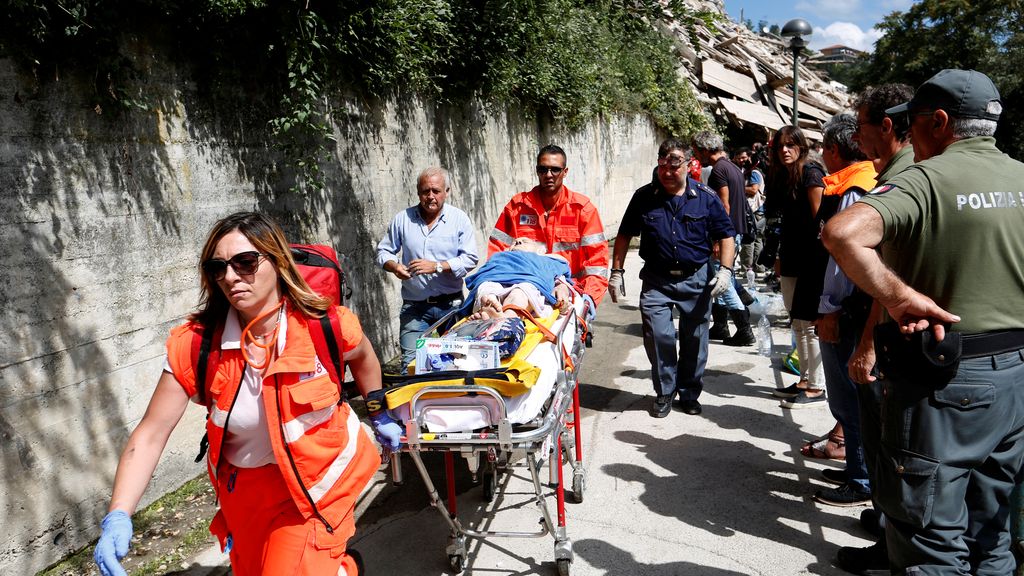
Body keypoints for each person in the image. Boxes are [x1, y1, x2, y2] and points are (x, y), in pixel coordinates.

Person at [94, 212, 399, 576]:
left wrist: (378, 410)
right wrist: (119, 513)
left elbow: (364, 358)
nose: (231, 276)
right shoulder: (196, 346)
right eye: (218, 267)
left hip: (315, 488)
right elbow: (151, 433)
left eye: (245, 262)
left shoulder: (326, 324)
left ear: (278, 261)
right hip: (245, 495)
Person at [824, 69, 1024, 575]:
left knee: (929, 536)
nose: (909, 139)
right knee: (990, 531)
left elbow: (843, 234)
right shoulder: (1021, 177)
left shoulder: (925, 180)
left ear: (939, 121)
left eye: (912, 127)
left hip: (947, 380)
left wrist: (899, 297)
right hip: (1017, 381)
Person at [834, 82, 916, 575]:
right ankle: (887, 525)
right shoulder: (898, 175)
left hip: (889, 336)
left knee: (892, 446)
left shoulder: (903, 184)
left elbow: (891, 280)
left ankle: (893, 547)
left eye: (861, 127)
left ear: (887, 127)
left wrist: (866, 345)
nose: (856, 137)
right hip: (891, 331)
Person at [607, 139, 735, 417]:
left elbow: (726, 235)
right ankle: (665, 391)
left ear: (689, 165)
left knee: (695, 339)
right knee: (659, 336)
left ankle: (689, 392)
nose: (667, 170)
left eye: (674, 163)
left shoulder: (706, 197)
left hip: (696, 279)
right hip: (657, 280)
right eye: (662, 163)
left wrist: (725, 271)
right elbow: (624, 234)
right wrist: (616, 272)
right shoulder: (644, 197)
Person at [807, 113, 877, 508]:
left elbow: (842, 261)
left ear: (835, 149)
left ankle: (862, 478)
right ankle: (856, 468)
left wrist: (829, 308)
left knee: (850, 401)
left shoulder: (853, 189)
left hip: (846, 310)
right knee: (851, 400)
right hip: (853, 308)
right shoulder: (861, 179)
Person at [488, 144, 609, 318]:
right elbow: (497, 253)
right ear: (537, 171)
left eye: (555, 170)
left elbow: (597, 263)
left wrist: (588, 300)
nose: (548, 175)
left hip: (569, 292)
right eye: (543, 169)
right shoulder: (517, 207)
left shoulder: (582, 210)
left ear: (565, 172)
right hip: (525, 289)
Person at [377, 167, 479, 368]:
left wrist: (438, 267)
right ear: (418, 192)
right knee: (412, 365)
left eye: (436, 191)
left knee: (459, 363)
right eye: (425, 191)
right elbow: (383, 252)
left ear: (446, 192)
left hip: (452, 306)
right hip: (415, 307)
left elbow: (470, 258)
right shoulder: (403, 219)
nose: (430, 196)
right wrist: (395, 266)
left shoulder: (459, 219)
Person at [764, 126, 828, 409]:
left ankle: (816, 386)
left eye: (791, 145)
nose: (785, 150)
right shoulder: (782, 176)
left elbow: (821, 221)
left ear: (801, 147)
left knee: (810, 325)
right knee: (798, 324)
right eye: (780, 147)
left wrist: (819, 262)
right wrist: (778, 255)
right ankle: (804, 380)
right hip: (790, 256)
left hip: (810, 260)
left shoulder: (811, 173)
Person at [692, 131, 755, 347]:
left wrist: (719, 240)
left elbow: (724, 205)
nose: (695, 154)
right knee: (717, 278)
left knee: (722, 281)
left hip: (725, 235)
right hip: (733, 232)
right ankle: (720, 325)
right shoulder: (732, 167)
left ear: (705, 149)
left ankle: (744, 328)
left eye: (696, 150)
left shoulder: (718, 170)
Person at [462, 238, 573, 320]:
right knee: (486, 286)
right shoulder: (500, 257)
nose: (518, 242)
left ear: (541, 250)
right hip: (497, 281)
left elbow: (560, 277)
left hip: (527, 283)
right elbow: (485, 273)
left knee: (521, 291)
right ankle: (489, 307)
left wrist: (561, 286)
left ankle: (507, 318)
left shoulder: (547, 259)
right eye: (514, 242)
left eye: (525, 241)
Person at [733, 147, 766, 274]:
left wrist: (737, 186)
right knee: (756, 239)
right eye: (739, 158)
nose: (742, 160)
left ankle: (747, 268)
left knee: (749, 239)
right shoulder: (748, 172)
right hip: (757, 212)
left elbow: (753, 190)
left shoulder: (754, 173)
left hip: (755, 211)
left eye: (744, 158)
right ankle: (758, 267)